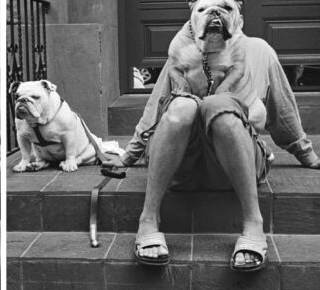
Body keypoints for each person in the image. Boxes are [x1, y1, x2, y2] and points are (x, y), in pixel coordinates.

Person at [104, 18, 320, 271]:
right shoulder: (184, 50)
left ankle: (252, 221)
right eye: (206, 10)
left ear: (239, 15)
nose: (215, 16)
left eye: (225, 8)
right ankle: (148, 220)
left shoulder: (259, 50)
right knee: (182, 106)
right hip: (180, 165)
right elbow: (155, 107)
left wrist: (306, 154)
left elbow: (282, 109)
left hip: (232, 164)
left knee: (221, 106)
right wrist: (128, 156)